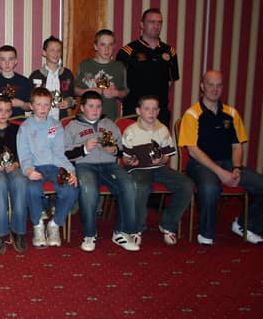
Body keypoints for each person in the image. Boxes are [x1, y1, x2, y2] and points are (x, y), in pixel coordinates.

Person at [178, 70, 263, 245]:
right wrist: (221, 173)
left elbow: (237, 145)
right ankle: (206, 234)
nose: (215, 89)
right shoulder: (192, 115)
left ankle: (246, 226)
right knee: (210, 188)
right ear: (202, 87)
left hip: (229, 163)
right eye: (210, 84)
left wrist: (237, 168)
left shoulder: (231, 113)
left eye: (219, 85)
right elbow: (193, 150)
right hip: (200, 164)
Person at [64, 91, 140, 252]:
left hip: (109, 165)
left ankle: (121, 233)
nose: (95, 110)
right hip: (85, 165)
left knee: (129, 185)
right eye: (91, 106)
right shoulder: (72, 126)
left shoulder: (110, 124)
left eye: (98, 106)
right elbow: (65, 153)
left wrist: (114, 150)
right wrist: (83, 149)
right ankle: (90, 234)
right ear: (82, 108)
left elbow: (121, 149)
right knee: (88, 189)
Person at [121, 95, 193, 246]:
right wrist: (131, 161)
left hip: (160, 168)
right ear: (138, 111)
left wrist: (161, 160)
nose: (151, 112)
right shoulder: (130, 131)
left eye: (154, 109)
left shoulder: (163, 129)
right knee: (141, 187)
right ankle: (137, 228)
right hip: (138, 169)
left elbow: (167, 156)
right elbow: (125, 159)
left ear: (159, 111)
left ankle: (168, 224)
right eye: (147, 109)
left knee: (186, 184)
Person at [17, 87, 78, 249]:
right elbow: (24, 155)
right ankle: (38, 226)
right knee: (32, 189)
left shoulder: (55, 125)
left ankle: (54, 224)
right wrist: (29, 170)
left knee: (71, 189)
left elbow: (59, 153)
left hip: (54, 166)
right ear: (31, 106)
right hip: (35, 167)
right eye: (39, 104)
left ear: (51, 105)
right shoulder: (25, 128)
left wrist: (70, 170)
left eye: (46, 105)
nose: (43, 108)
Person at [116, 8, 179, 127]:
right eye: (151, 22)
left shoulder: (170, 52)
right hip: (134, 112)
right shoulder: (127, 52)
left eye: (159, 22)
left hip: (159, 113)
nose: (156, 26)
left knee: (160, 145)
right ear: (142, 25)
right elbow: (120, 85)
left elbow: (170, 83)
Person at [0, 96, 29, 253]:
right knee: (0, 184)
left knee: (21, 183)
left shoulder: (18, 129)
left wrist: (17, 164)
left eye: (8, 111)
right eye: (0, 110)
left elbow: (25, 152)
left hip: (14, 167)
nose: (4, 114)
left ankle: (19, 231)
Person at [75, 29, 128, 121]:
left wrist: (116, 93)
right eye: (103, 45)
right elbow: (74, 89)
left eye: (110, 45)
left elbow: (125, 92)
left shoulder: (119, 67)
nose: (107, 49)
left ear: (114, 46)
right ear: (95, 46)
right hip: (86, 120)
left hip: (110, 119)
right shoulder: (85, 65)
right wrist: (86, 91)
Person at [29, 36, 75, 120]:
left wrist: (68, 102)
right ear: (44, 52)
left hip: (61, 119)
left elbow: (73, 97)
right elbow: (30, 99)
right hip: (39, 121)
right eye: (52, 50)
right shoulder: (36, 75)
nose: (56, 53)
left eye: (58, 50)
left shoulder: (67, 74)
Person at [0, 45, 31, 121]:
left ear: (16, 61)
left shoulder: (24, 81)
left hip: (18, 124)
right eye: (3, 59)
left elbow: (30, 107)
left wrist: (21, 104)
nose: (7, 63)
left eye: (11, 59)